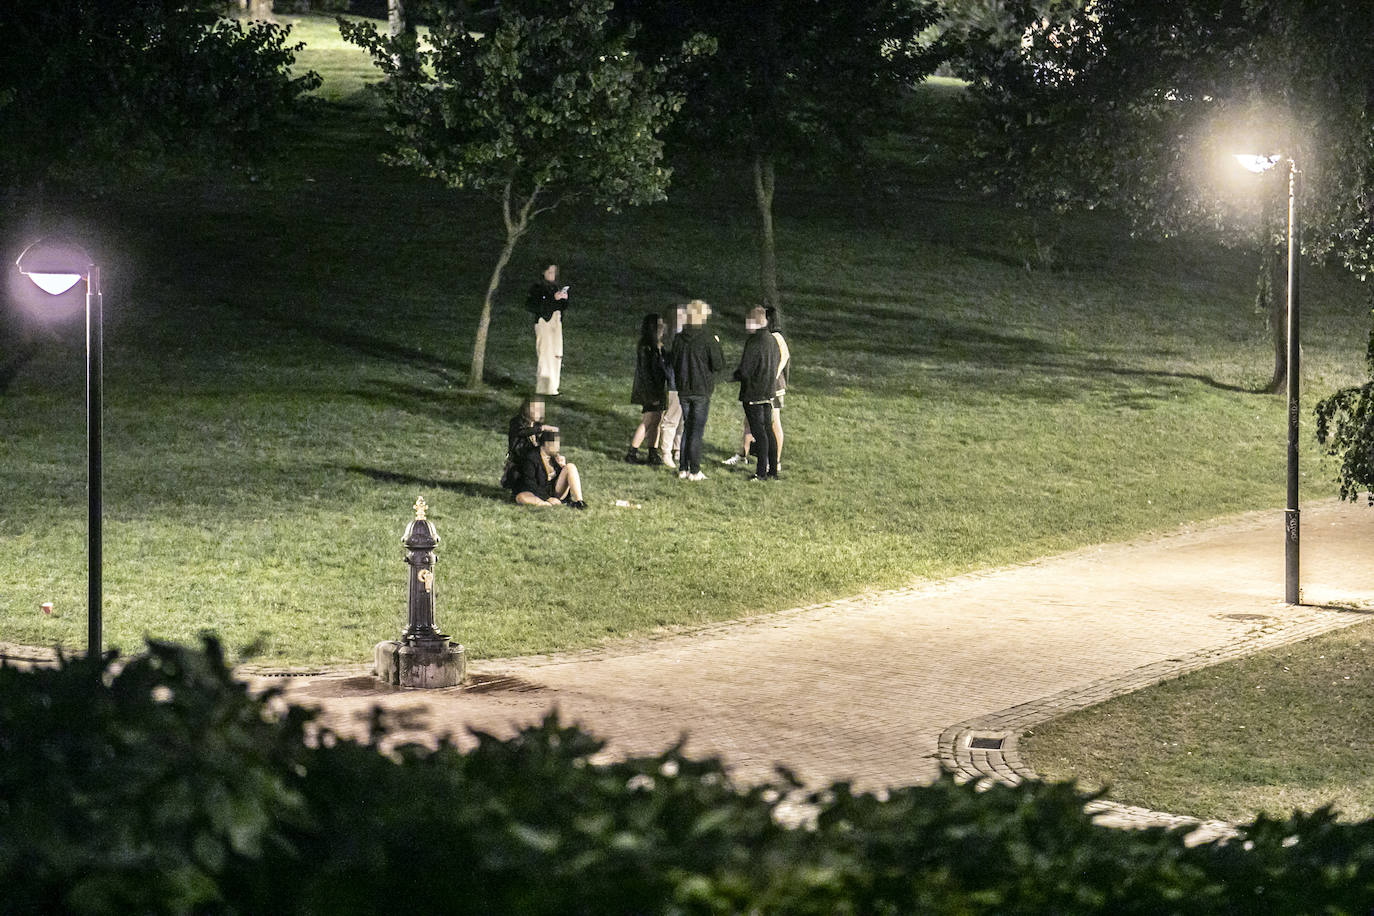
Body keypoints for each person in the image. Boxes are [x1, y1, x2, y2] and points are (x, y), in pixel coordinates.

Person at [723, 306, 789, 470]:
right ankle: (772, 468)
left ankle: (761, 471)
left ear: (753, 322)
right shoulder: (772, 339)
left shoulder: (754, 341)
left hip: (754, 393)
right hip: (768, 391)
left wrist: (734, 376)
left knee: (760, 433)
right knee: (767, 430)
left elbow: (746, 370)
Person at [669, 299, 725, 481]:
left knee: (687, 427)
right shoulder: (708, 339)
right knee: (696, 431)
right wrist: (717, 345)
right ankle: (694, 470)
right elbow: (718, 365)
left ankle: (683, 468)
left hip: (684, 389)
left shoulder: (678, 339)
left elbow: (673, 362)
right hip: (701, 390)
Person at [626, 313, 668, 464]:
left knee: (656, 420)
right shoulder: (647, 347)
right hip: (651, 390)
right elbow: (648, 372)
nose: (663, 328)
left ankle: (652, 452)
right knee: (648, 420)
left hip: (657, 389)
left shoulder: (656, 346)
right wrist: (653, 394)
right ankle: (632, 452)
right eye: (660, 326)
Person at [511, 429, 586, 508]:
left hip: (555, 491)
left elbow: (563, 480)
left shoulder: (555, 457)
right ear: (546, 443)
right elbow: (529, 483)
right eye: (555, 444)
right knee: (521, 497)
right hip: (537, 493)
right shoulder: (531, 458)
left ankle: (580, 502)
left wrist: (562, 466)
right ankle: (547, 504)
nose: (558, 448)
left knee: (570, 466)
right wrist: (547, 498)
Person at [526, 262, 569, 396]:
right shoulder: (538, 288)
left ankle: (553, 388)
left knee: (556, 354)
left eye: (554, 272)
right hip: (544, 321)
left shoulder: (555, 287)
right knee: (545, 354)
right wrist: (552, 299)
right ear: (543, 272)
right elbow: (533, 305)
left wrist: (564, 299)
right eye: (549, 272)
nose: (552, 275)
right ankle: (544, 388)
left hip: (556, 321)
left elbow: (561, 306)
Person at [655, 304, 687, 469]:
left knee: (681, 419)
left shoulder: (681, 335)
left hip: (685, 381)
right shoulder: (670, 338)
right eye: (680, 315)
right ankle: (666, 452)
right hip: (676, 382)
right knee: (672, 418)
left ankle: (677, 449)